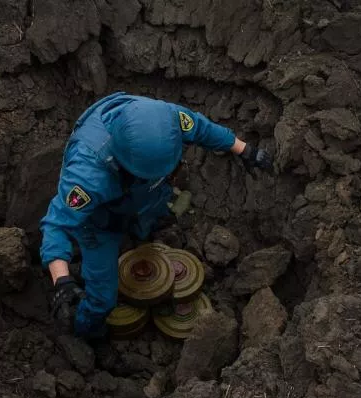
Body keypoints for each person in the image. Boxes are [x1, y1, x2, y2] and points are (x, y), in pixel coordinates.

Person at [39, 92, 273, 339]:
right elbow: (56, 225)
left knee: (150, 214)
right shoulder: (87, 175)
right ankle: (85, 331)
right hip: (99, 221)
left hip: (144, 195)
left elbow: (202, 128)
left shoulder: (165, 120)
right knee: (103, 299)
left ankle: (139, 231)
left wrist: (245, 150)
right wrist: (62, 282)